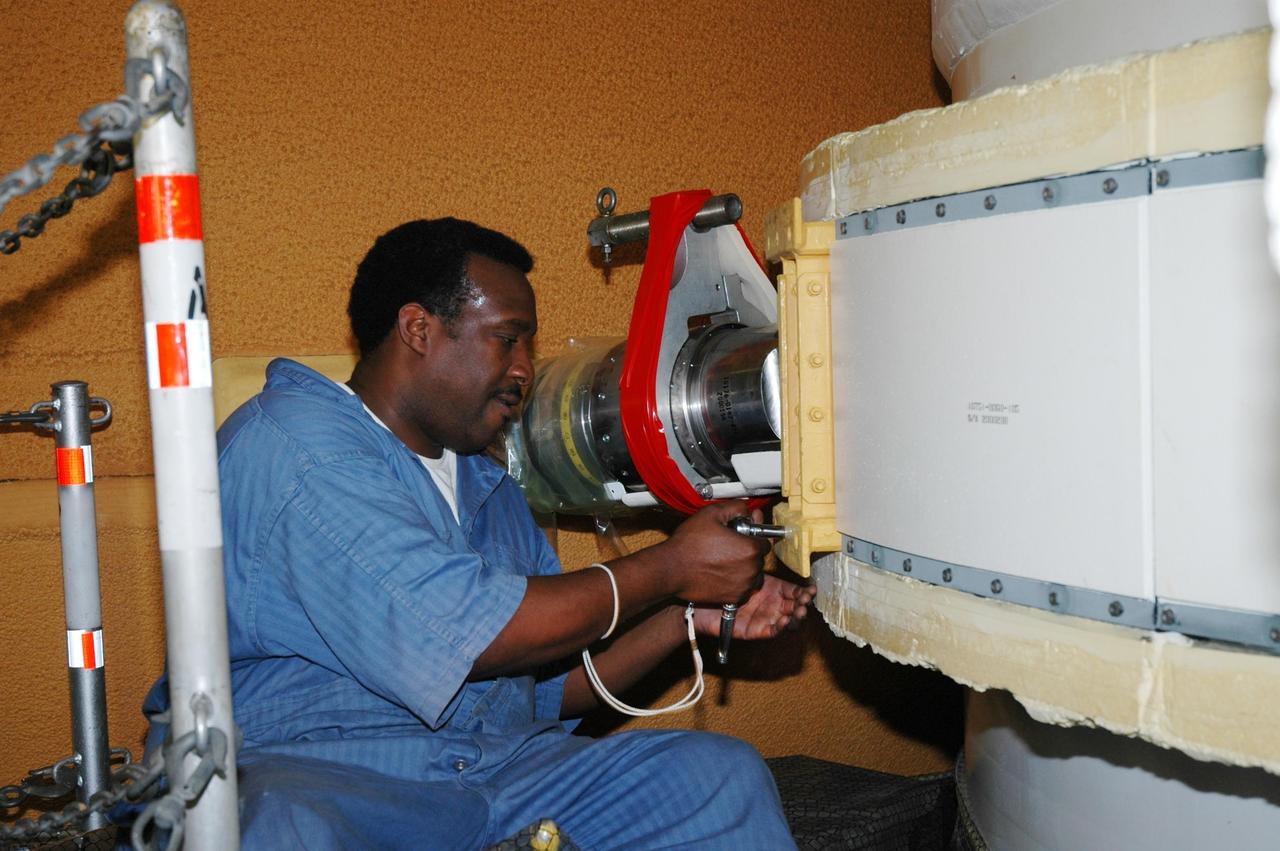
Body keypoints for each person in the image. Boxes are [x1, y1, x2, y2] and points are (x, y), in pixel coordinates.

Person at [144, 217, 815, 849]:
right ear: (418, 328)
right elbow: (483, 638)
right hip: (323, 773)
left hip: (492, 774)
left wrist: (682, 616)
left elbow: (544, 689)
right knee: (283, 827)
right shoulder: (301, 449)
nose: (525, 369)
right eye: (507, 337)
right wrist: (671, 565)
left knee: (713, 778)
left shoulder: (480, 481)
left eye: (529, 344)